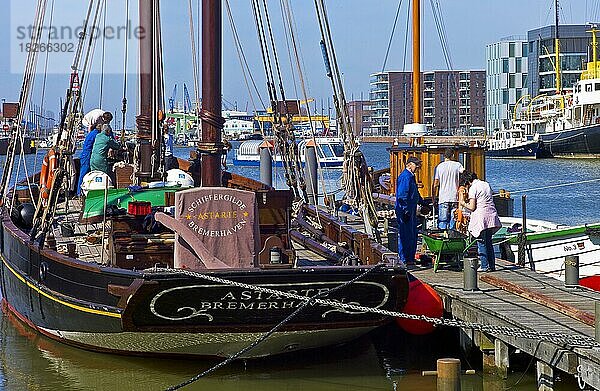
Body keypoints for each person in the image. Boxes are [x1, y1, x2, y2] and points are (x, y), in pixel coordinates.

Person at [458, 171, 501, 272]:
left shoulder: (473, 188)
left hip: (481, 217)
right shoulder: (486, 184)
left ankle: (484, 265)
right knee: (489, 242)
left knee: (481, 242)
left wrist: (463, 203)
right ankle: (492, 265)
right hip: (491, 215)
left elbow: (472, 207)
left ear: (468, 181)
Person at [395, 156, 423, 265]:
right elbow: (402, 195)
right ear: (409, 165)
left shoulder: (411, 176)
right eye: (416, 165)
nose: (418, 167)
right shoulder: (405, 177)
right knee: (405, 235)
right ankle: (404, 259)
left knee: (412, 234)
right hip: (405, 211)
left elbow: (414, 192)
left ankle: (410, 258)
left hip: (411, 210)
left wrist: (422, 202)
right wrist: (405, 210)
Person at [77, 111, 113, 195]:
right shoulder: (97, 135)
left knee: (85, 173)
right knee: (85, 172)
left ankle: (81, 192)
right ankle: (79, 192)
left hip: (87, 154)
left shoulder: (92, 134)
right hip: (87, 154)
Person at [432, 148, 464, 230]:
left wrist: (433, 197)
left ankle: (442, 238)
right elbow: (464, 174)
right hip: (454, 197)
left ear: (444, 156)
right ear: (452, 155)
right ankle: (452, 238)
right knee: (453, 220)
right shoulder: (458, 165)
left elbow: (435, 184)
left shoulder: (439, 167)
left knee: (442, 221)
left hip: (443, 197)